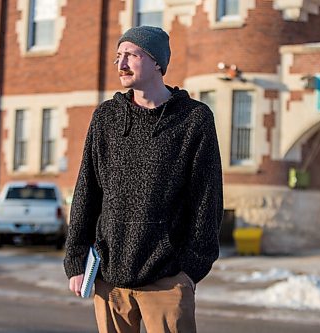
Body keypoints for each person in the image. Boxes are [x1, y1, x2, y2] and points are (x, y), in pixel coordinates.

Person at [63, 26, 223, 333]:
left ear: (157, 63)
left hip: (167, 280)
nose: (121, 64)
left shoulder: (193, 119)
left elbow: (207, 198)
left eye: (131, 55)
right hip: (109, 278)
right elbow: (87, 190)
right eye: (118, 56)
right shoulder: (107, 117)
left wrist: (190, 270)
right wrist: (76, 258)